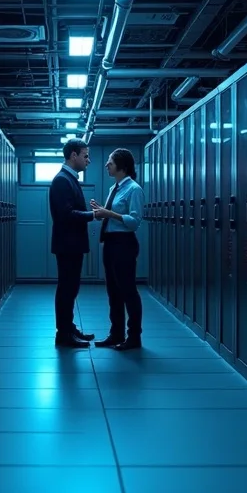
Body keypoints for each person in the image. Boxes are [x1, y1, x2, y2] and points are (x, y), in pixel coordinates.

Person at [91, 148, 144, 351]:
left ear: (122, 166)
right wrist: (102, 211)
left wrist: (110, 214)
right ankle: (116, 334)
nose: (106, 166)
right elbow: (112, 215)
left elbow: (134, 222)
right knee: (113, 291)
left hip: (124, 244)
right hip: (111, 244)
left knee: (128, 291)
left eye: (110, 163)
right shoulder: (115, 188)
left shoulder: (134, 189)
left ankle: (134, 337)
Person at [48, 138, 98, 348]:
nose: (89, 160)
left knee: (71, 288)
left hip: (72, 243)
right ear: (73, 155)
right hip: (68, 244)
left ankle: (68, 328)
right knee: (67, 288)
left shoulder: (70, 178)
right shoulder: (62, 180)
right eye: (85, 155)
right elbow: (65, 215)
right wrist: (93, 215)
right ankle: (64, 333)